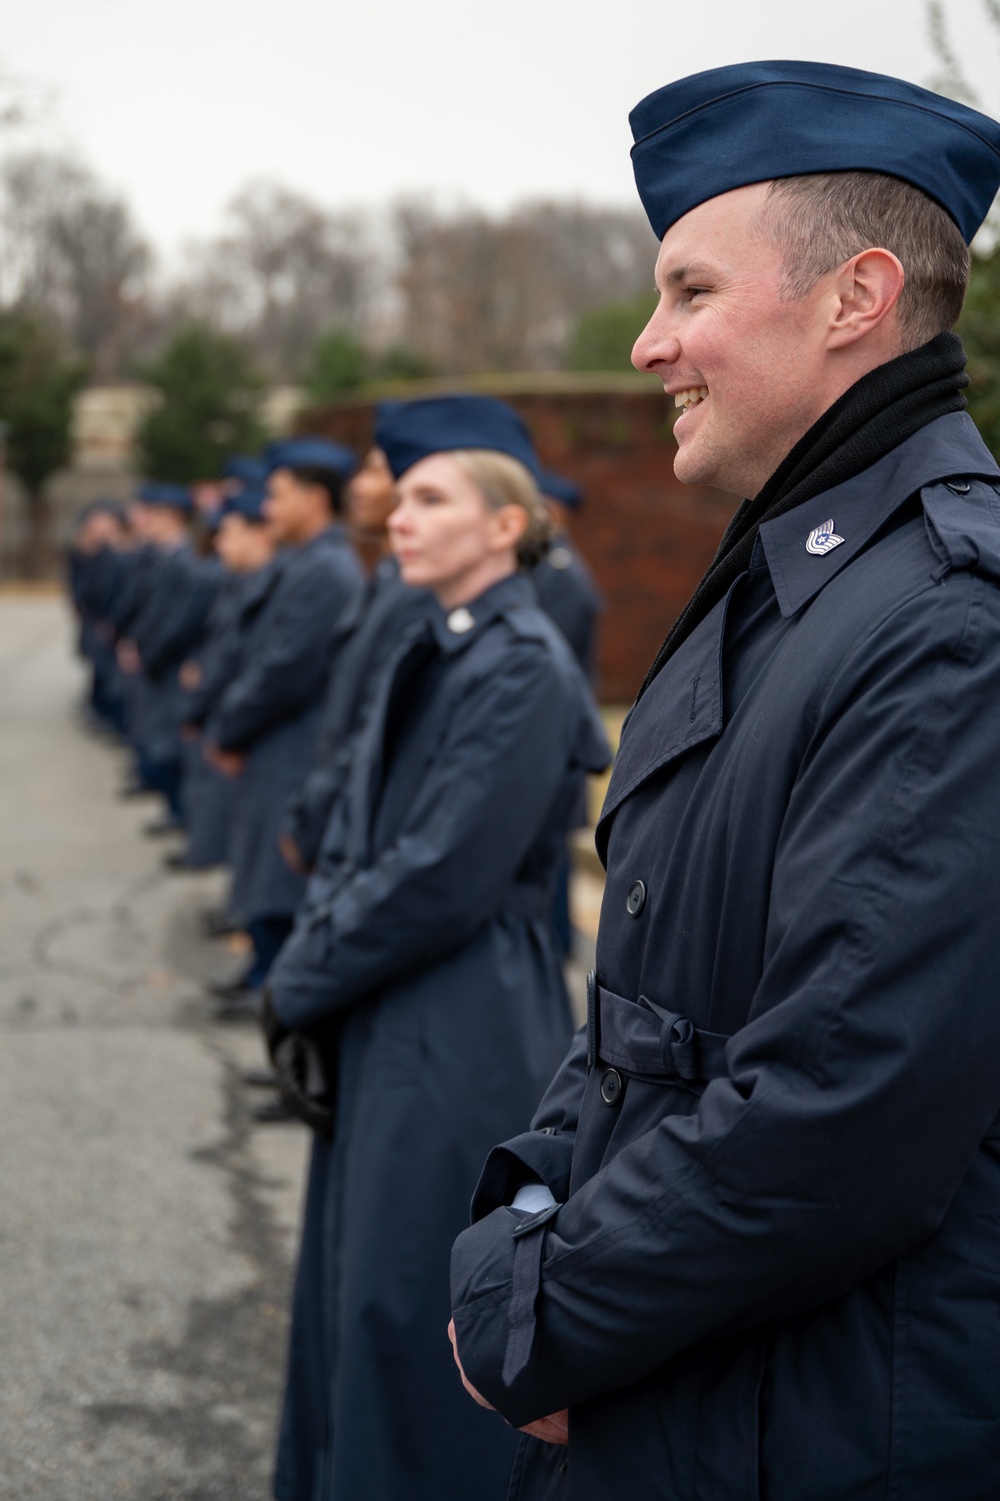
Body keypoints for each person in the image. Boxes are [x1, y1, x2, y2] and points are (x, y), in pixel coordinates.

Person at [448, 61, 1000, 1500]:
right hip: (702, 1368)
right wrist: (524, 1210)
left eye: (690, 293)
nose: (648, 345)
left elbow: (845, 1105)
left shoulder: (949, 623)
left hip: (806, 1422)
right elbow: (650, 1000)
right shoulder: (797, 574)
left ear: (852, 298)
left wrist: (549, 1317)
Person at [263, 394, 611, 1501]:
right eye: (396, 497)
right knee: (350, 1290)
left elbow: (440, 875)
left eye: (427, 497)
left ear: (505, 525)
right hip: (388, 996)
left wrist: (298, 975)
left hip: (454, 1010)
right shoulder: (438, 640)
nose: (395, 518)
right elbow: (367, 840)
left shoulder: (521, 665)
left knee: (408, 1303)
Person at [203, 437, 364, 1011]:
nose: (265, 509)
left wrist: (229, 729)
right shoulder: (306, 562)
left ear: (315, 498)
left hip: (295, 736)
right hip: (276, 735)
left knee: (281, 870)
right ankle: (263, 974)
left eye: (277, 495)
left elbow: (285, 668)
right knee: (263, 861)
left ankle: (276, 989)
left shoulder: (326, 569)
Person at [279, 435, 430, 877]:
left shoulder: (414, 592)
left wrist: (317, 813)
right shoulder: (385, 576)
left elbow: (375, 720)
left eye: (376, 472)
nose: (358, 487)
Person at [171, 484, 275, 873]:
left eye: (229, 534)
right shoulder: (242, 581)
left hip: (247, 717)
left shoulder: (276, 582)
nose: (220, 546)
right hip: (226, 709)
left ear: (259, 533)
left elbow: (268, 666)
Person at [116, 483, 218, 834]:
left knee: (173, 742)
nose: (145, 523)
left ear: (173, 518)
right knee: (156, 734)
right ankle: (174, 809)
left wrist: (150, 652)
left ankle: (182, 814)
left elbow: (179, 619)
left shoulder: (186, 560)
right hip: (156, 658)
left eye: (153, 516)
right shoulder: (161, 556)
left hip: (171, 662)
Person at [531, 470, 603, 953]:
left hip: (551, 736)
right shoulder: (547, 569)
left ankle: (555, 944)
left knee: (549, 845)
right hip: (547, 733)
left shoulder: (560, 575)